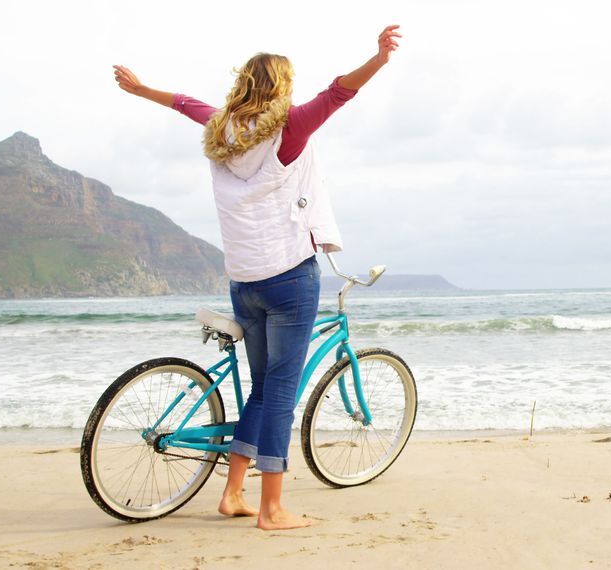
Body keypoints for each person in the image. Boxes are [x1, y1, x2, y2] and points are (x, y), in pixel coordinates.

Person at [113, 25, 401, 530]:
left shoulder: (221, 129)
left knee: (263, 389)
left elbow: (186, 103)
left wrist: (140, 91)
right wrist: (377, 60)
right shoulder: (287, 130)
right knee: (281, 393)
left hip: (243, 281)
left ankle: (233, 495)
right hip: (289, 278)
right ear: (280, 88)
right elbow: (338, 94)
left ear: (244, 84)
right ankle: (271, 509)